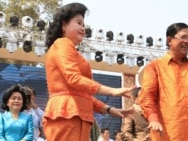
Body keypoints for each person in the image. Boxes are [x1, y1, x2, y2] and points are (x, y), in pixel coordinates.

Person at [43, 3, 136, 141]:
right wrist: (112, 91)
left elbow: (82, 94)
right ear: (64, 25)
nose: (83, 28)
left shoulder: (71, 50)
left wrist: (109, 109)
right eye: (79, 23)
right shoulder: (63, 44)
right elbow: (74, 78)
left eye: (83, 25)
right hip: (66, 114)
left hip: (74, 115)